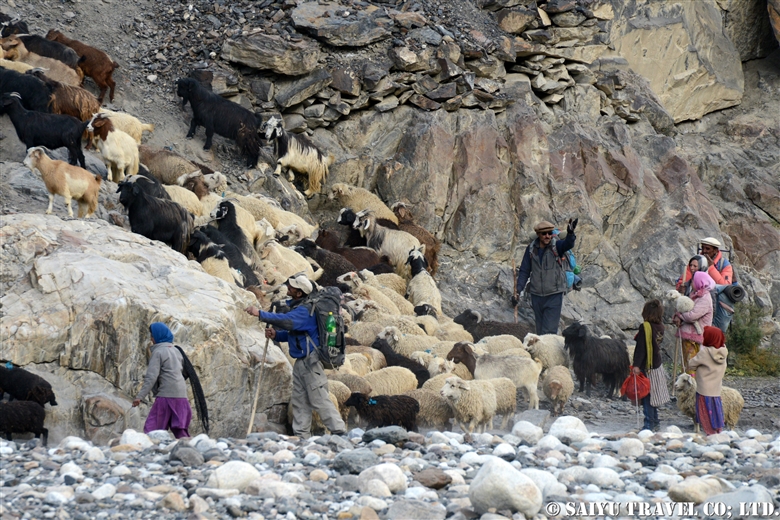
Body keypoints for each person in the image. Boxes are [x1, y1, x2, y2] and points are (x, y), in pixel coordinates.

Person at [245, 273, 346, 439]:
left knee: (319, 399)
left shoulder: (305, 311)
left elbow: (287, 321)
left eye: (293, 287)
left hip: (311, 362)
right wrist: (277, 335)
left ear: (299, 293)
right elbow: (296, 334)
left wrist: (260, 314)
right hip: (301, 363)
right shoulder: (302, 308)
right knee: (300, 401)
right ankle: (301, 436)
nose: (289, 288)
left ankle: (339, 431)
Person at [512, 218, 577, 335]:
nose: (547, 236)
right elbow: (524, 271)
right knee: (540, 331)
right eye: (544, 233)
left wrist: (571, 233)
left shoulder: (557, 246)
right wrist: (518, 291)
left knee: (549, 332)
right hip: (536, 296)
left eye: (550, 233)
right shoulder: (531, 249)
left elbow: (568, 244)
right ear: (538, 234)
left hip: (554, 295)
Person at [132, 323, 192, 439]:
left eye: (152, 335)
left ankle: (151, 449)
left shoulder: (158, 352)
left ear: (158, 336)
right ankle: (189, 448)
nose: (151, 338)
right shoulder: (177, 351)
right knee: (180, 431)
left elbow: (151, 377)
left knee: (152, 429)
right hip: (182, 396)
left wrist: (139, 397)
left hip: (166, 396)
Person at [632, 299, 666, 431]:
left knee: (647, 395)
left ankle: (648, 424)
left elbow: (641, 348)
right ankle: (655, 422)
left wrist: (636, 365)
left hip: (647, 366)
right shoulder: (660, 327)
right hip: (657, 365)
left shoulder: (645, 327)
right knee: (654, 396)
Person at [687, 326, 728, 435]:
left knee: (705, 412)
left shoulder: (705, 352)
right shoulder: (723, 351)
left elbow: (691, 364)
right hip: (716, 389)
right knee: (716, 411)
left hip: (704, 390)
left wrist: (691, 356)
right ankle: (718, 431)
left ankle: (710, 433)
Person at [674, 271, 715, 375]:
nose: (691, 283)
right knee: (686, 364)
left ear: (699, 282)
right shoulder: (695, 295)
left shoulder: (705, 299)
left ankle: (692, 384)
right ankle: (687, 383)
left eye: (692, 281)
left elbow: (692, 316)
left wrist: (680, 315)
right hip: (689, 336)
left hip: (695, 337)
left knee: (692, 365)